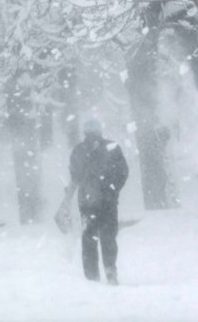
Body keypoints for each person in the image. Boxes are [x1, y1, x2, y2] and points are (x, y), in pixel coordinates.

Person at [67, 119, 128, 285]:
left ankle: (92, 276)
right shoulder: (112, 148)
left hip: (87, 202)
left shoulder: (78, 150)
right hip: (107, 201)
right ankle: (110, 270)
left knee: (89, 238)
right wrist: (112, 189)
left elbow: (75, 175)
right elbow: (123, 172)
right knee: (108, 237)